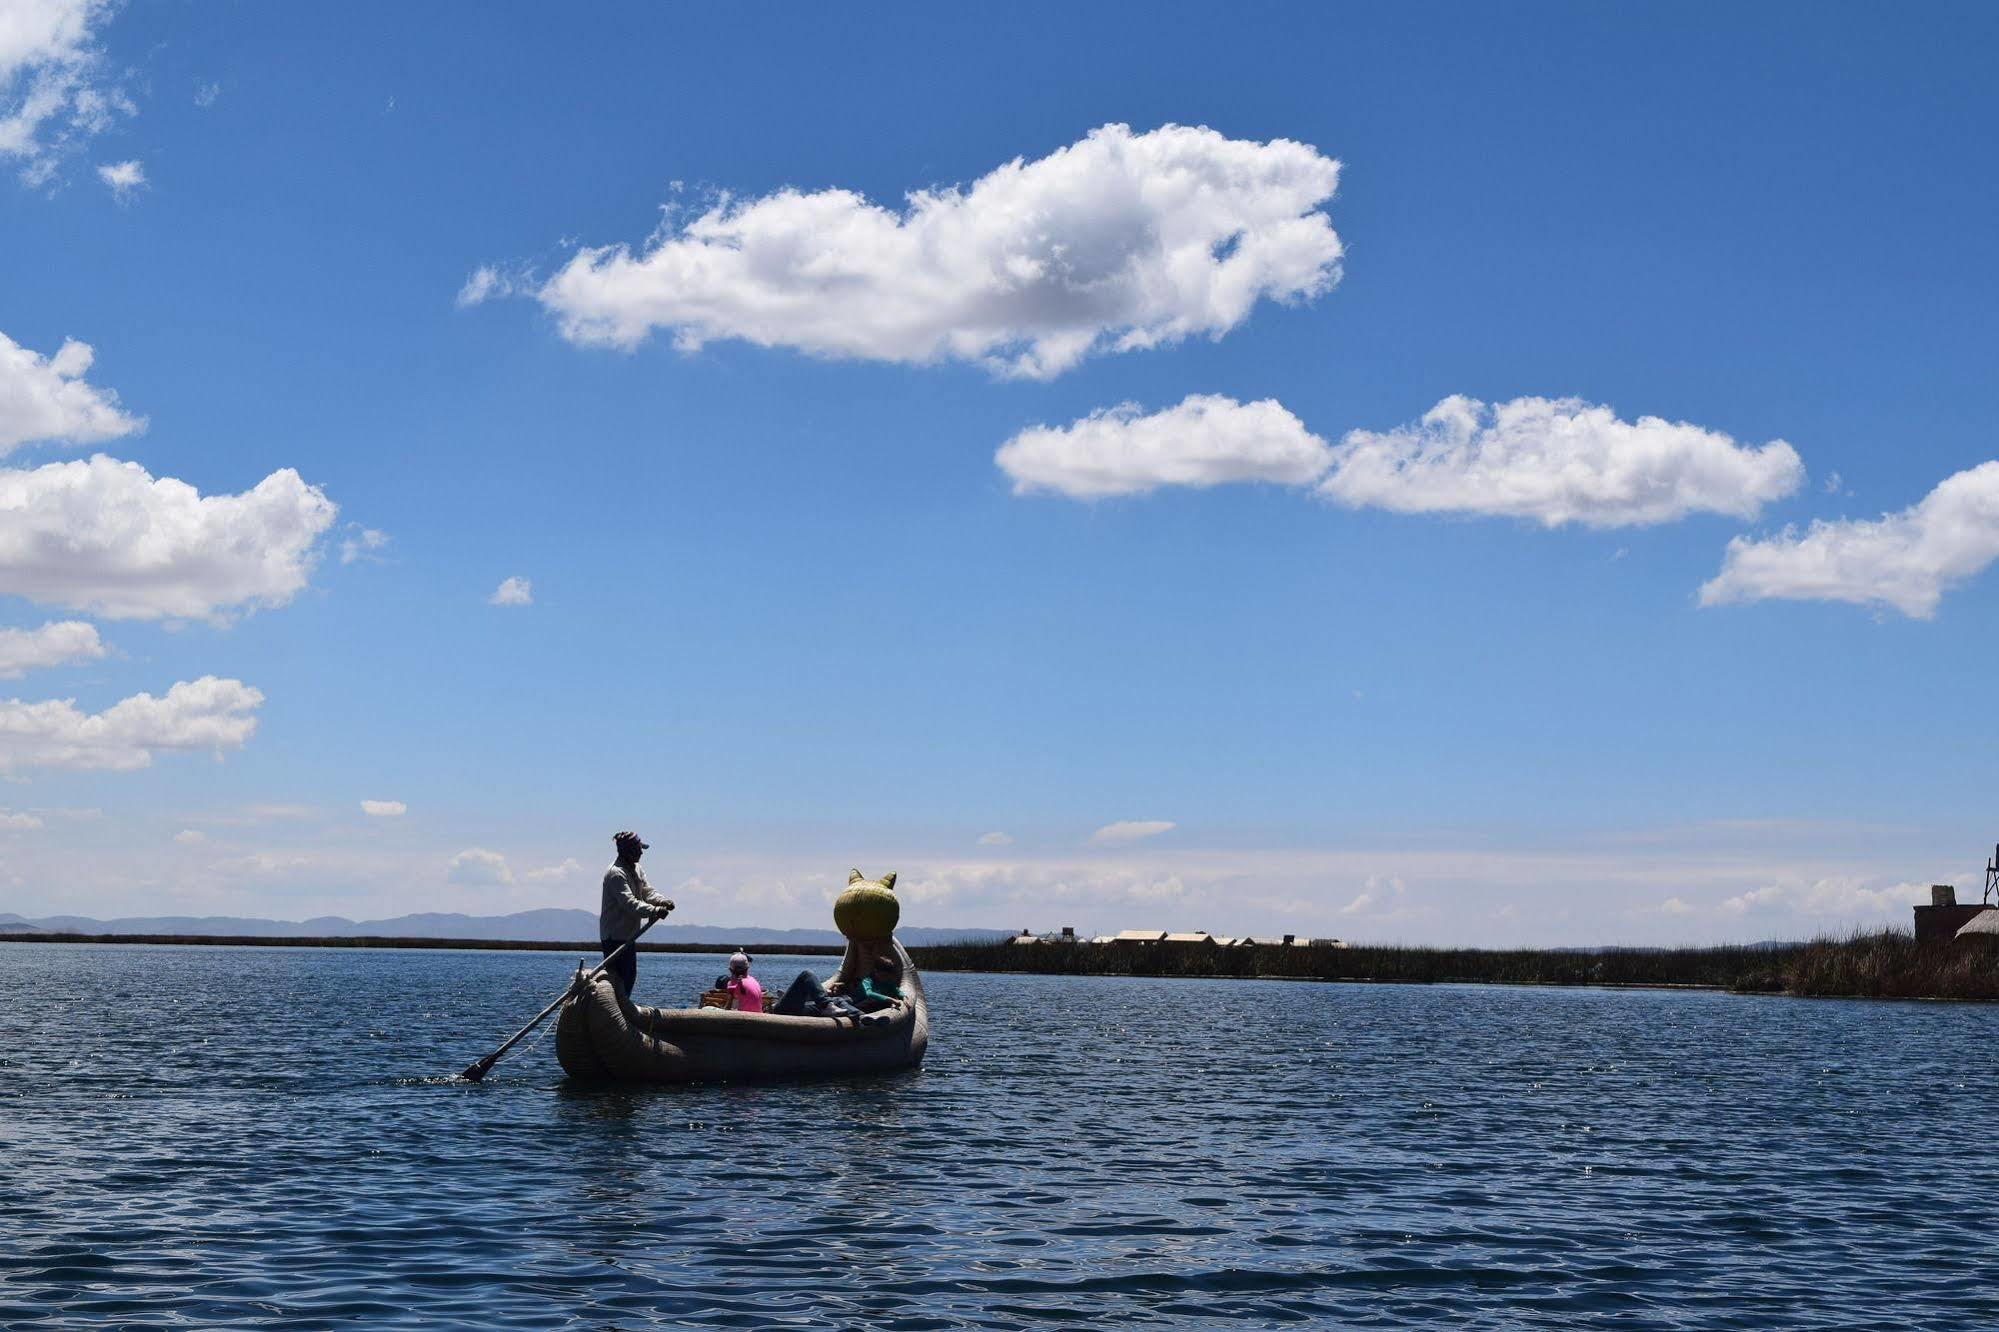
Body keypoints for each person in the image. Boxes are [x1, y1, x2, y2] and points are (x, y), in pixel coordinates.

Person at [599, 830, 674, 998]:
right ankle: (616, 1016)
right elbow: (629, 903)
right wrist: (654, 910)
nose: (641, 852)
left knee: (629, 979)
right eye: (639, 849)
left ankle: (623, 1014)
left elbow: (646, 891)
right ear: (629, 851)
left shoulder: (637, 868)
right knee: (618, 982)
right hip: (615, 937)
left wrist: (662, 901)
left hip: (628, 935)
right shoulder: (616, 873)